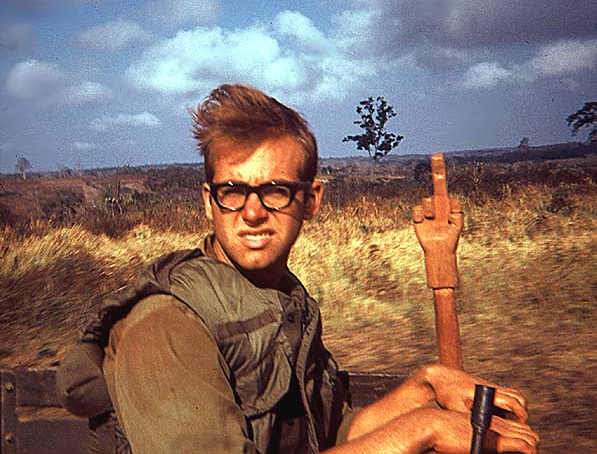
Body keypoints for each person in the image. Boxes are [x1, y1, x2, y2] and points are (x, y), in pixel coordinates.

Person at [57, 84, 539, 454]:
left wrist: (425, 384)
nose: (251, 212)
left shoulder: (282, 299)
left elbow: (329, 438)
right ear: (209, 201)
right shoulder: (167, 325)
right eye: (232, 191)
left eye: (276, 190)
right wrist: (422, 427)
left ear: (311, 200)